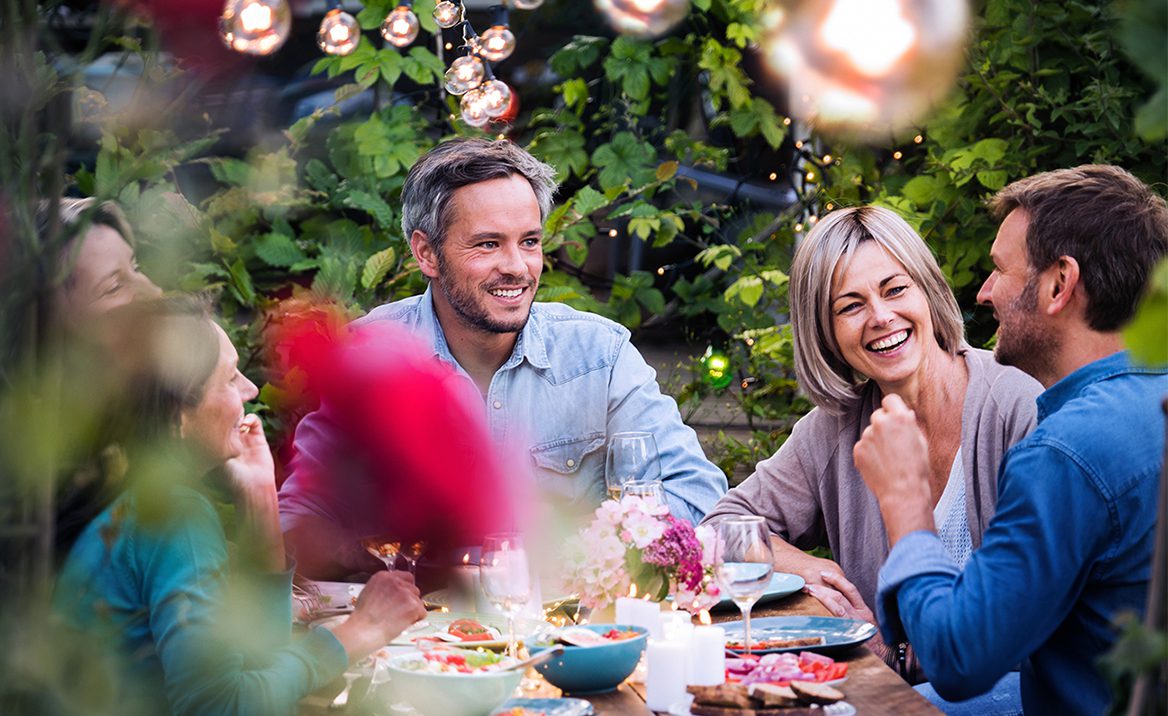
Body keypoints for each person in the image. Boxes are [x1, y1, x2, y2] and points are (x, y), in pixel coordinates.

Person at [279, 138, 728, 578]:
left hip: (572, 631)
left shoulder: (599, 356)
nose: (517, 266)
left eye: (529, 241)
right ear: (426, 253)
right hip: (420, 636)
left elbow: (697, 493)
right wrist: (390, 558)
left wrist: (592, 555)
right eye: (488, 244)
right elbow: (301, 516)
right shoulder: (370, 359)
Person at [855, 165, 1168, 715]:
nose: (983, 293)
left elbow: (959, 659)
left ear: (1058, 285)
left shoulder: (1067, 453)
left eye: (1000, 270)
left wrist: (905, 498)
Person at [701, 206, 1040, 706]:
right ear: (827, 332)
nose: (881, 317)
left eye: (895, 289)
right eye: (850, 306)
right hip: (879, 687)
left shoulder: (1017, 406)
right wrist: (805, 569)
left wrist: (897, 653)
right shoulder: (835, 429)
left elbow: (1028, 608)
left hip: (1009, 688)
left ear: (927, 290)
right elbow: (718, 528)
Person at [53, 297, 427, 715]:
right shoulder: (172, 516)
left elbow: (255, 661)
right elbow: (219, 707)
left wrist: (259, 497)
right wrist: (359, 632)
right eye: (230, 379)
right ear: (177, 417)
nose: (250, 390)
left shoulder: (126, 498)